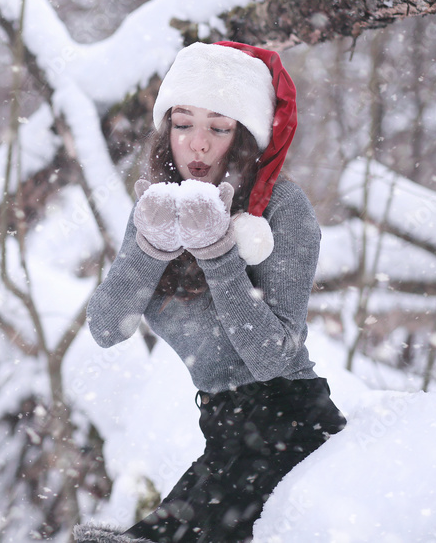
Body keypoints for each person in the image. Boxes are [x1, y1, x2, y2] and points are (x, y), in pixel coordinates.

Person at [73, 41, 346, 543]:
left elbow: (273, 359)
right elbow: (107, 328)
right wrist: (150, 249)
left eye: (218, 128)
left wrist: (220, 257)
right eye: (183, 124)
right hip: (226, 432)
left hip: (290, 424)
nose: (197, 144)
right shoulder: (158, 207)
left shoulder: (282, 209)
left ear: (243, 138)